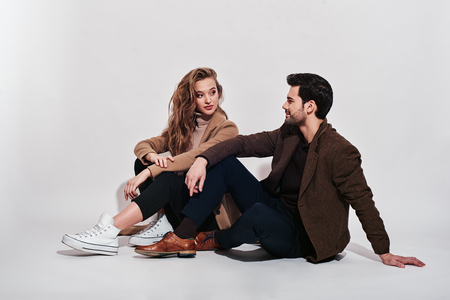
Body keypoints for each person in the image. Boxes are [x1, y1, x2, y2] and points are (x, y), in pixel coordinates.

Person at [134, 73, 425, 268]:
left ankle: (213, 239)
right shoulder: (288, 133)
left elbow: (363, 201)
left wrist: (383, 251)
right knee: (227, 162)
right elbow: (242, 143)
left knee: (256, 216)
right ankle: (182, 237)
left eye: (290, 100)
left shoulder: (340, 151)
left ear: (309, 107)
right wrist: (203, 160)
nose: (283, 105)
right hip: (277, 208)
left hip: (303, 234)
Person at [62, 67, 239, 255]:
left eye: (212, 92)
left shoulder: (227, 129)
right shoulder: (183, 128)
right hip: (186, 204)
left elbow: (195, 157)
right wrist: (152, 157)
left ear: (218, 92)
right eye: (200, 95)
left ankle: (109, 229)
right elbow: (143, 145)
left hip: (208, 215)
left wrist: (150, 172)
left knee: (167, 178)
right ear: (191, 98)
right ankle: (164, 222)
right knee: (142, 162)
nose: (209, 100)